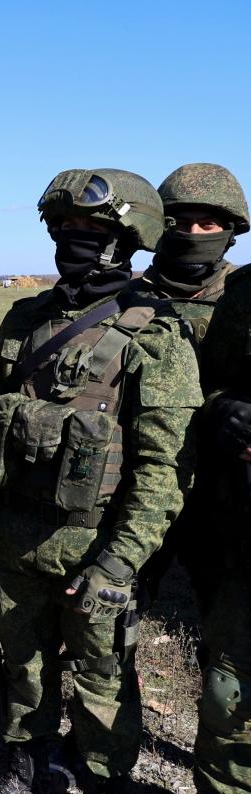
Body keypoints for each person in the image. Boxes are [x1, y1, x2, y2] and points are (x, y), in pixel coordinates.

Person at [0, 170, 201, 794]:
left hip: (97, 546)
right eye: (65, 229)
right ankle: (24, 776)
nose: (74, 241)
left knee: (101, 682)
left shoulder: (154, 337)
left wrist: (119, 565)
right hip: (14, 535)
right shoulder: (25, 319)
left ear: (129, 240)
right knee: (22, 670)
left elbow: (165, 469)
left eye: (94, 231)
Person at [131, 164, 249, 612]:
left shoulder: (243, 300)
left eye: (208, 224)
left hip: (223, 486)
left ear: (231, 230)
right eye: (178, 223)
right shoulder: (122, 300)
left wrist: (227, 407)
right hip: (139, 478)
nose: (192, 233)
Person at [189, 218, 251, 794]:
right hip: (234, 513)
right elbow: (209, 384)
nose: (192, 233)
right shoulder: (247, 295)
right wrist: (224, 409)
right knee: (230, 680)